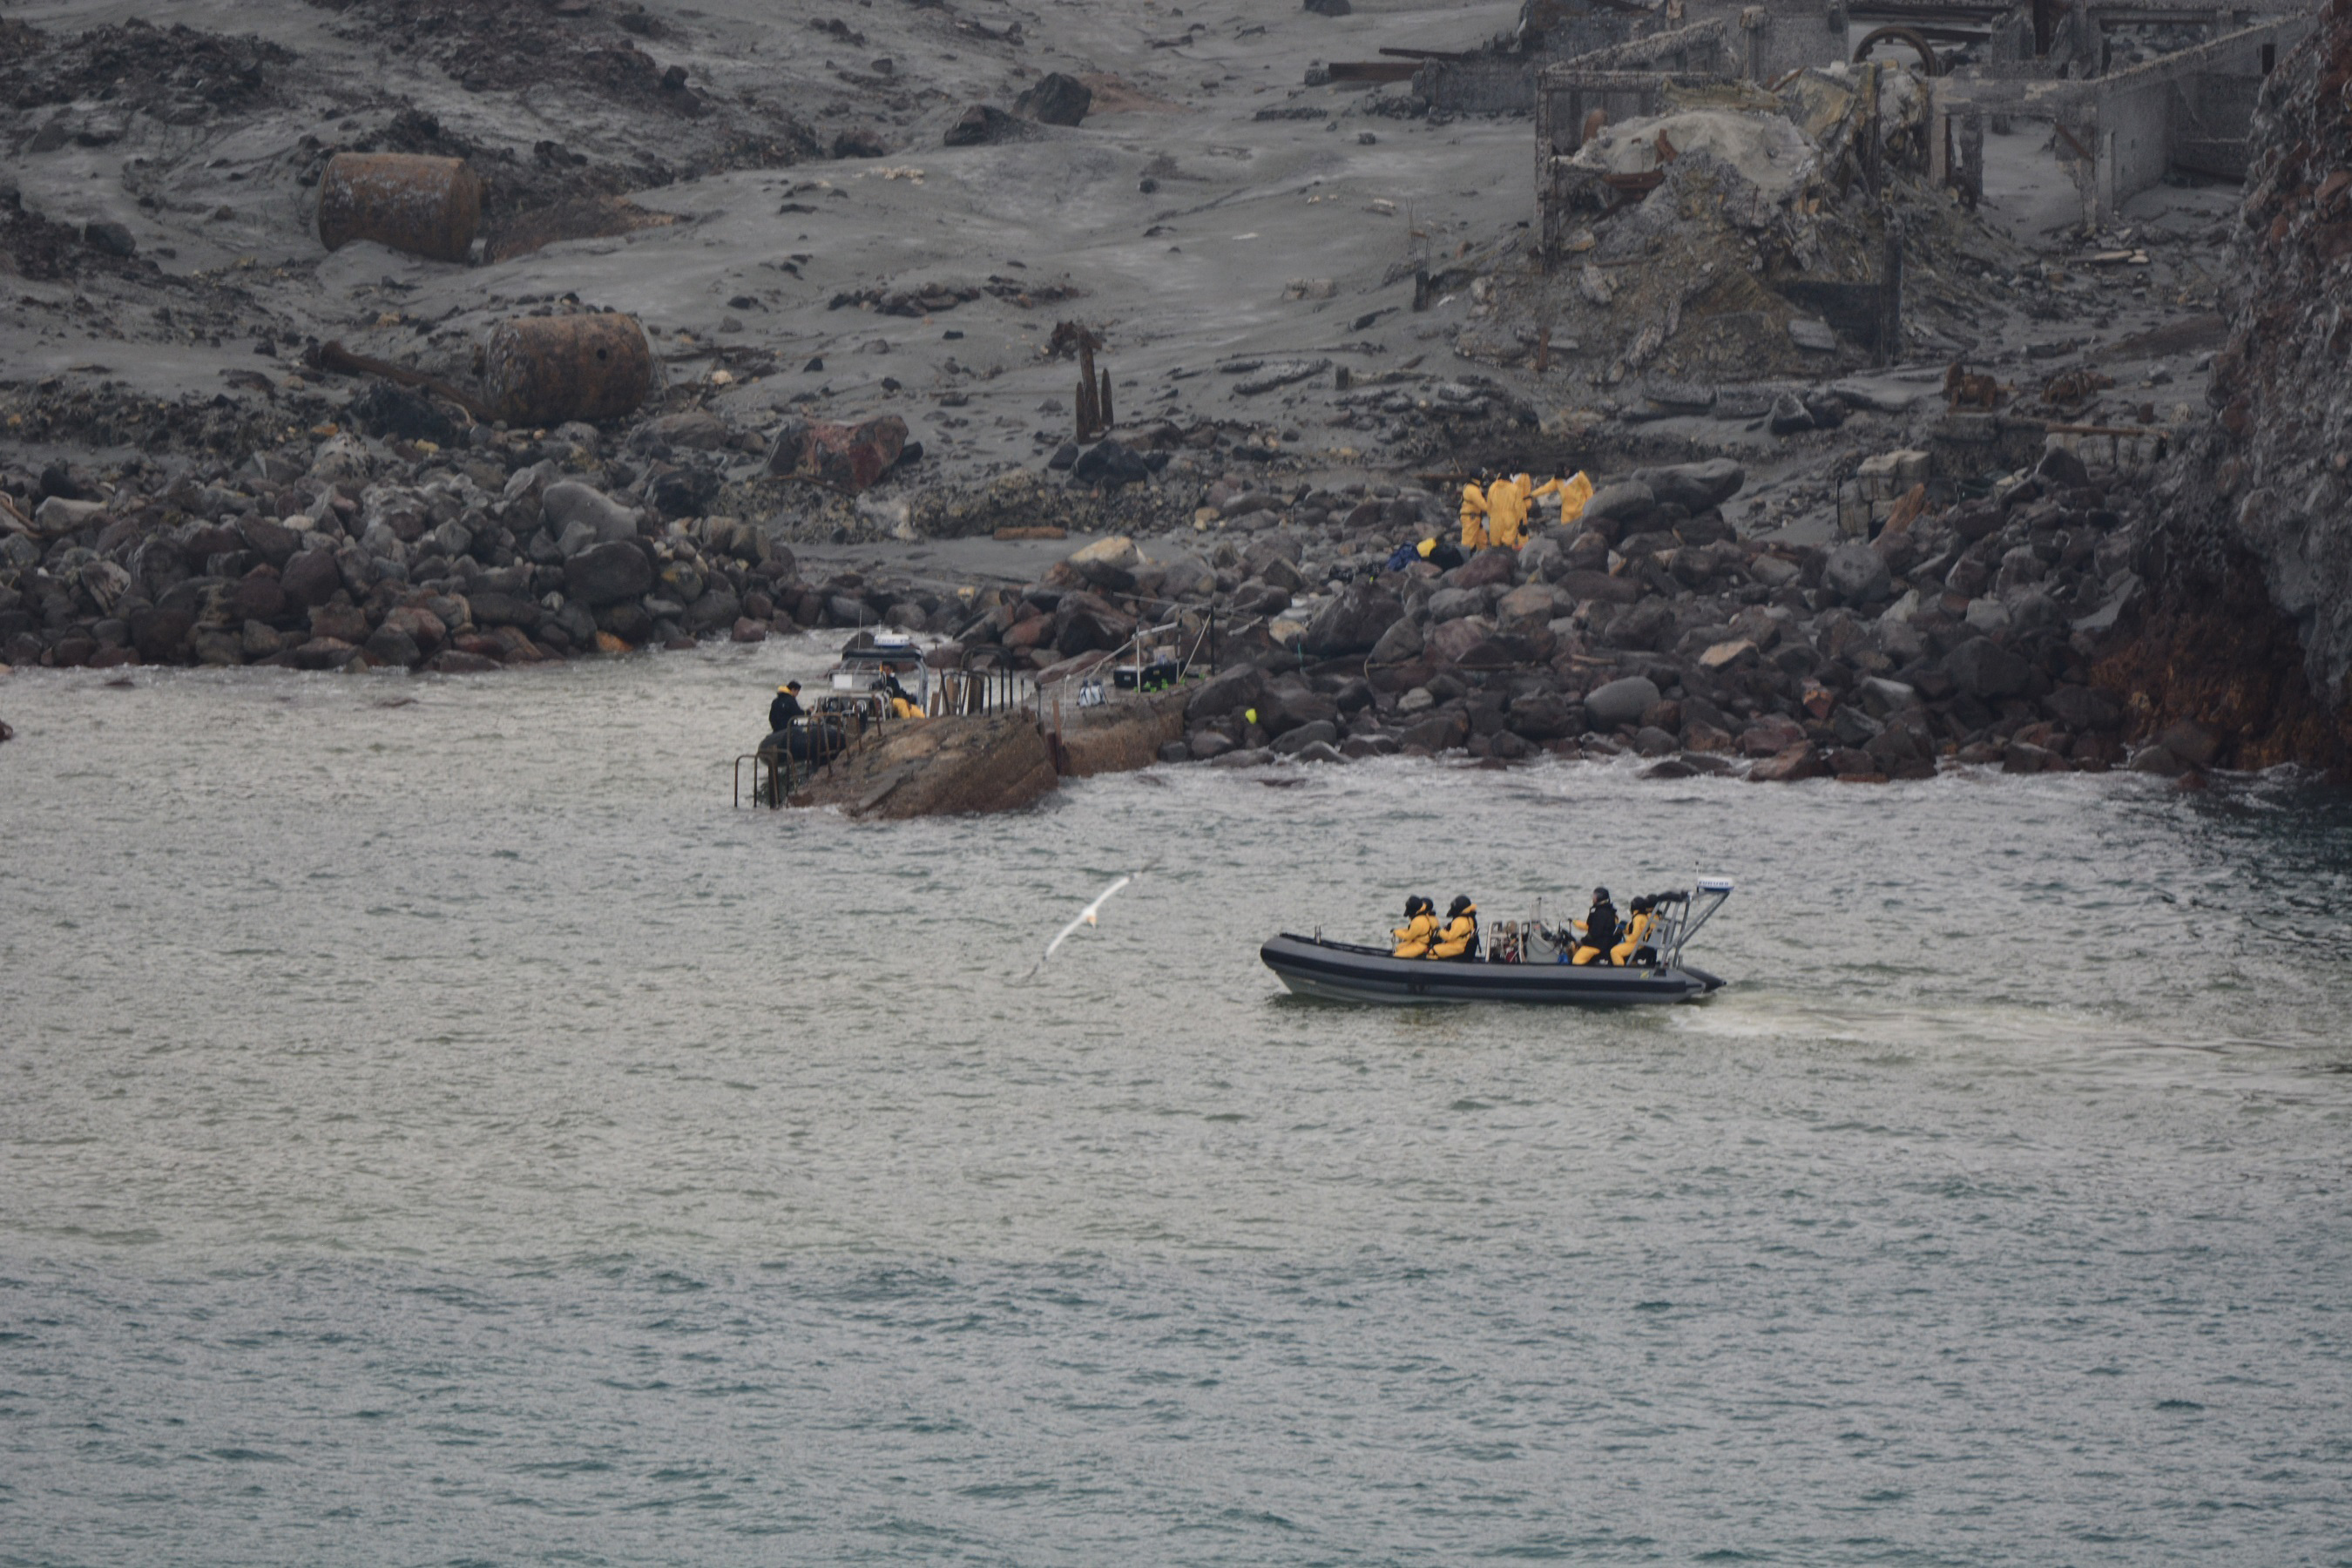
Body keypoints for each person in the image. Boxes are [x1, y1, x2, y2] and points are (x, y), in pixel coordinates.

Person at [1570, 886, 1619, 966]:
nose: (1593, 898)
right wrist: (1574, 922)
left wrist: (1582, 941)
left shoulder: (1601, 913)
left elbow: (1595, 933)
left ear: (1599, 897)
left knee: (1577, 960)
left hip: (1599, 944)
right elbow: (1590, 926)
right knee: (1574, 946)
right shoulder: (1605, 910)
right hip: (1601, 941)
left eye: (1595, 896)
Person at [1484, 475, 1531, 551]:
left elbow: (1489, 506)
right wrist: (1522, 521)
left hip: (1495, 519)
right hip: (1509, 518)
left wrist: (1490, 517)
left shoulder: (1492, 487)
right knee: (1508, 545)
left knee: (1495, 545)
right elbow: (1519, 507)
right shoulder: (1514, 488)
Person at [1430, 895, 1481, 961]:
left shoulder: (1459, 921)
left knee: (1432, 951)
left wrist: (1439, 931)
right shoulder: (1470, 918)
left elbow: (1449, 937)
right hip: (1463, 945)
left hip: (1458, 947)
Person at [1610, 896, 1655, 966]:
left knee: (1614, 951)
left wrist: (1626, 940)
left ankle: (1620, 971)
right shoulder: (1642, 916)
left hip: (1637, 944)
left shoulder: (1638, 918)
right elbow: (1632, 929)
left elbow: (1635, 935)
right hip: (1640, 942)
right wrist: (1623, 930)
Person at [1391, 895, 1438, 959]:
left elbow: (1408, 936)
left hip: (1421, 945)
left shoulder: (1418, 921)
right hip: (1420, 941)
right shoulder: (1430, 917)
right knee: (1398, 948)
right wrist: (1400, 930)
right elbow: (1414, 931)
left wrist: (1396, 932)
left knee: (1397, 955)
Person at [1457, 482, 1490, 551]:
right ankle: (1465, 558)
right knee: (1468, 541)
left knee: (1482, 539)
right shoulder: (1473, 490)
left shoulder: (1471, 488)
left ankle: (1482, 557)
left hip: (1475, 518)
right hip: (1470, 518)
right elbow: (1484, 506)